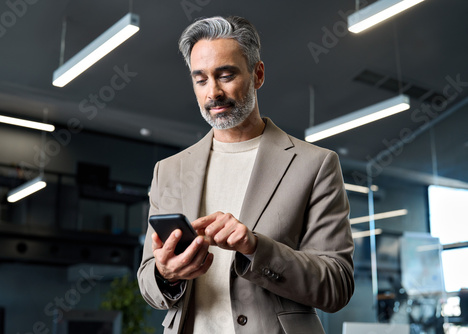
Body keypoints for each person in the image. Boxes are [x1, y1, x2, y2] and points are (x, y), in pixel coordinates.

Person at [137, 16, 354, 334]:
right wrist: (166, 274)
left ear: (258, 75)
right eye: (200, 80)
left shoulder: (315, 165)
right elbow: (147, 281)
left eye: (225, 75)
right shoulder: (168, 171)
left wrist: (255, 248)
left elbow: (336, 285)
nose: (213, 92)